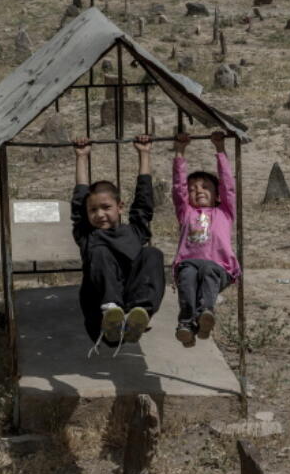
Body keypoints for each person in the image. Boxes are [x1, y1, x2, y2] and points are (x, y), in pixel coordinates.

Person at [71, 136, 164, 350]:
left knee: (152, 254)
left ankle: (138, 315)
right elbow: (79, 203)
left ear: (120, 207)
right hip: (99, 312)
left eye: (106, 207)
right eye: (93, 210)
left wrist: (144, 153)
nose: (99, 214)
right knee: (101, 252)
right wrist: (82, 157)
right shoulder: (88, 235)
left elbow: (143, 203)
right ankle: (112, 315)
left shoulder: (134, 232)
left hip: (130, 306)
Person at [170, 130, 239, 347]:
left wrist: (220, 149)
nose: (198, 191)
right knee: (188, 277)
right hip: (189, 263)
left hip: (219, 267)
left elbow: (228, 185)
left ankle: (204, 315)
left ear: (217, 195)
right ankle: (186, 326)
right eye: (193, 189)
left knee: (208, 271)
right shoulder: (186, 213)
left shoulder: (225, 212)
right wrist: (180, 152)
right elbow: (178, 188)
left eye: (205, 187)